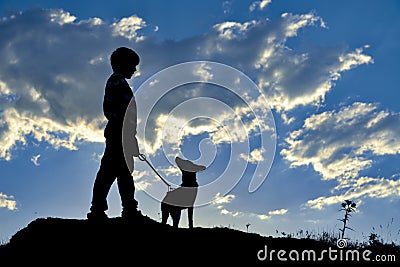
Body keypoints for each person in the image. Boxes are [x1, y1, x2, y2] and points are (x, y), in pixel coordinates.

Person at [87, 47, 141, 221]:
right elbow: (118, 113)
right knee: (112, 172)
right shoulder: (117, 82)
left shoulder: (118, 82)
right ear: (122, 64)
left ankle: (124, 208)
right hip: (119, 133)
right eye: (132, 65)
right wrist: (127, 137)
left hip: (120, 133)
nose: (134, 69)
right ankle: (105, 209)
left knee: (117, 172)